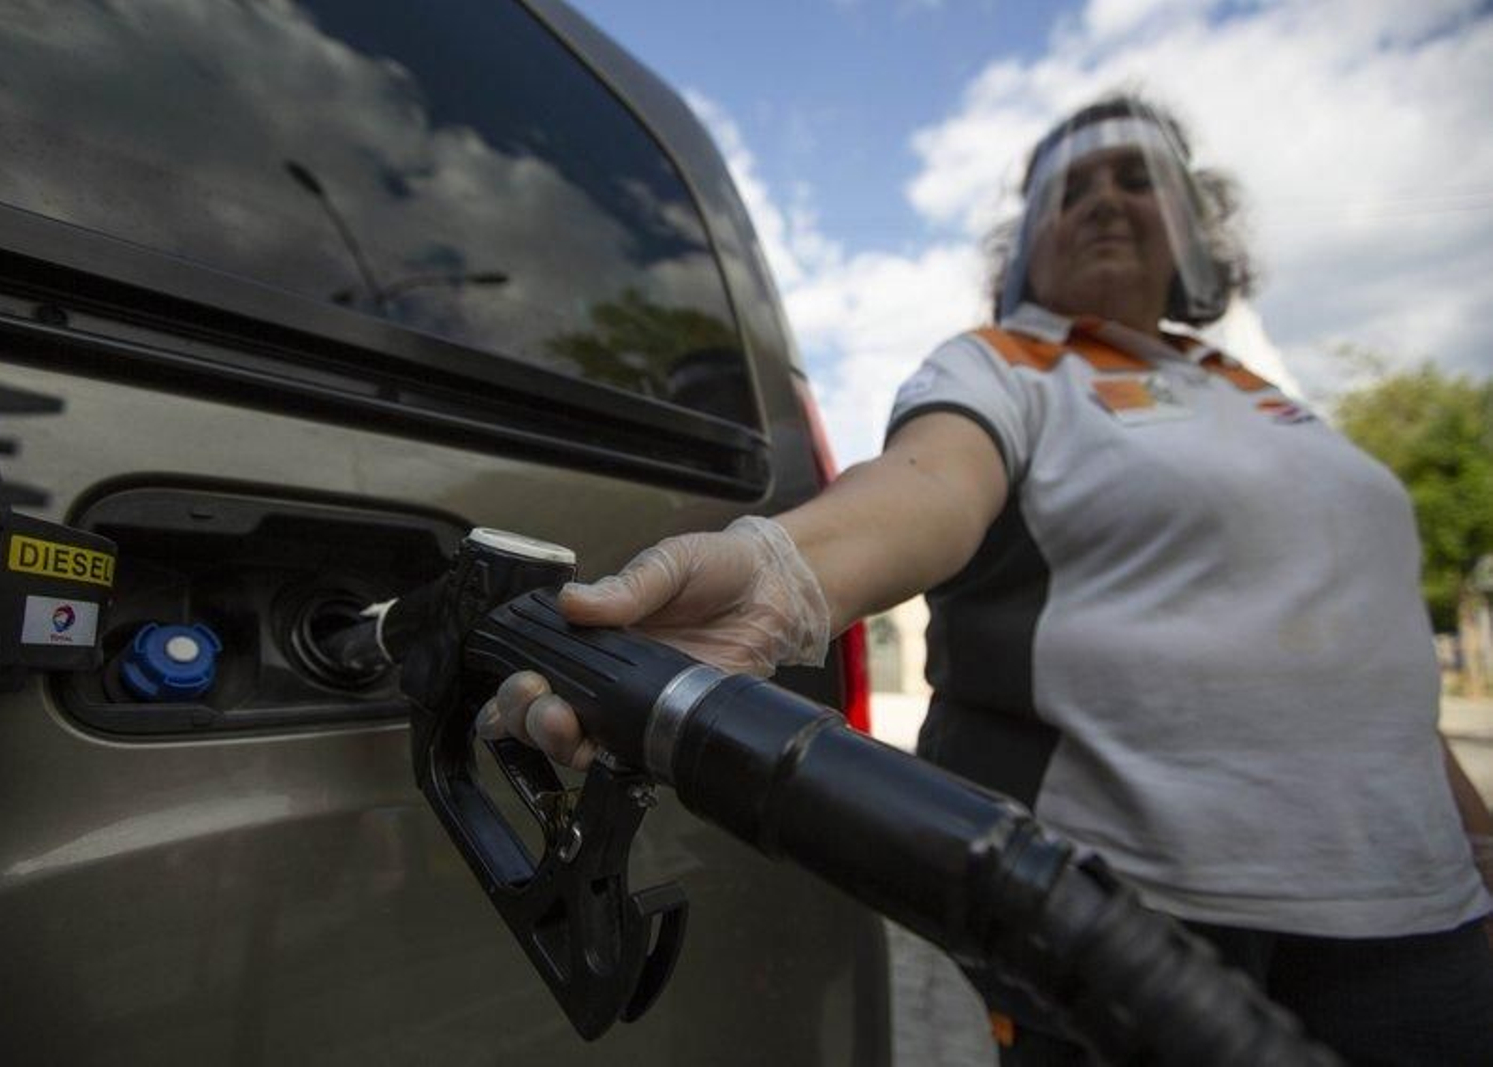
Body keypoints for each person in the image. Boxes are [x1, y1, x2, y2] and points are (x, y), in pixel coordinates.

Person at [479, 93, 1493, 1063]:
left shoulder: (1264, 394)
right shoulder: (1006, 361)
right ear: (1024, 245)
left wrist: (1473, 831)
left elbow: (1365, 625)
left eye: (1135, 177)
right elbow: (929, 482)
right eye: (1069, 188)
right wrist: (786, 572)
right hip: (1134, 918)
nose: (1101, 199)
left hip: (1424, 911)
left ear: (1195, 220)